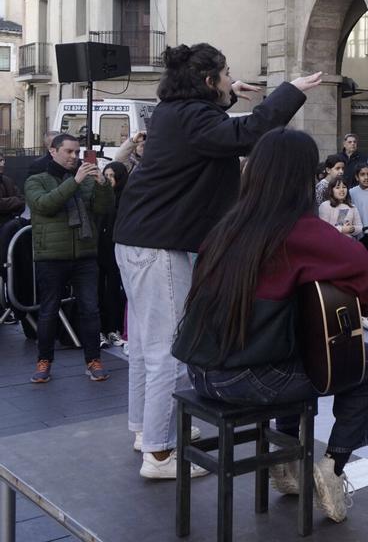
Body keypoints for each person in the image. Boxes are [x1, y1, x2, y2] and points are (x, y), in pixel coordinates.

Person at [114, 44, 318, 478]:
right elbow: (245, 136)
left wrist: (229, 96)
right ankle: (160, 452)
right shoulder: (193, 117)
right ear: (208, 81)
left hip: (137, 239)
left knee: (144, 348)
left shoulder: (175, 111)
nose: (232, 79)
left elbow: (223, 128)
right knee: (167, 349)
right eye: (226, 74)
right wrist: (290, 91)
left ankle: (145, 431)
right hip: (158, 245)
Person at [172, 128, 368, 522]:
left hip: (200, 371)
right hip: (247, 379)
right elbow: (363, 268)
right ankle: (333, 468)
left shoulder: (225, 226)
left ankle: (285, 462)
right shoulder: (300, 230)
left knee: (293, 352)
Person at [26, 133, 115, 385]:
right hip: (52, 256)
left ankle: (93, 360)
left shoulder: (86, 181)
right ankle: (44, 361)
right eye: (69, 152)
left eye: (77, 152)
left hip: (85, 255)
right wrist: (75, 182)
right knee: (48, 311)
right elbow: (45, 205)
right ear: (53, 151)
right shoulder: (37, 180)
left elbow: (103, 209)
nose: (74, 157)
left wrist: (102, 185)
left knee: (90, 309)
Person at [97, 161, 129, 348]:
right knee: (98, 289)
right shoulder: (101, 197)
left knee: (114, 291)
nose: (109, 179)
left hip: (116, 249)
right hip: (99, 249)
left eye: (112, 176)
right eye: (106, 175)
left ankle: (113, 328)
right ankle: (101, 329)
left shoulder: (125, 198)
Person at [0, 153, 25, 226]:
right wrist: (15, 200)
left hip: (9, 223)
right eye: (0, 160)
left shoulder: (8, 180)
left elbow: (22, 200)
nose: (2, 163)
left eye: (3, 160)